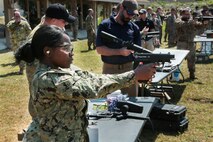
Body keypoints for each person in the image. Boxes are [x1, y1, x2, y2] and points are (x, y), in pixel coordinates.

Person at [19, 25, 156, 141]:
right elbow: (91, 88)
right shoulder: (46, 79)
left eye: (71, 49)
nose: (71, 53)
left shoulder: (63, 69)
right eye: (66, 49)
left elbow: (92, 78)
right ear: (47, 51)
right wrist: (133, 75)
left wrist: (133, 76)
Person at [15, 3, 76, 120]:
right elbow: (40, 75)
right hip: (43, 101)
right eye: (64, 21)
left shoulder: (47, 31)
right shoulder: (39, 36)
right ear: (53, 20)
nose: (66, 24)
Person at [96, 0, 141, 96]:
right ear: (121, 8)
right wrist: (119, 52)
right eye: (129, 13)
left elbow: (139, 52)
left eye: (133, 14)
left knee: (132, 103)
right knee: (109, 103)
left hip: (129, 69)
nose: (130, 16)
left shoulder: (134, 28)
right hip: (110, 71)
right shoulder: (105, 25)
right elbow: (99, 49)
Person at [175, 8, 208, 79]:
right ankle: (175, 75)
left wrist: (203, 23)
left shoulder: (191, 20)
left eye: (189, 14)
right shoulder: (178, 19)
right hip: (182, 42)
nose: (188, 15)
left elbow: (198, 25)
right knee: (178, 59)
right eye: (186, 14)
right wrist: (190, 21)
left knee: (192, 59)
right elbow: (180, 24)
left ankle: (192, 73)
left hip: (191, 42)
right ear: (182, 14)